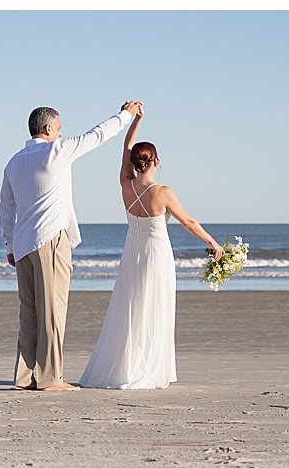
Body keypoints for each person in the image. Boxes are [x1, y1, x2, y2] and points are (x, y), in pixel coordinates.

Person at [0, 101, 141, 391]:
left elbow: (5, 208)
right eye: (60, 129)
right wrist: (126, 114)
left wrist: (9, 244)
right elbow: (99, 134)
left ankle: (26, 377)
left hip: (24, 244)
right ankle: (51, 378)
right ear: (48, 128)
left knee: (30, 311)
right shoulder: (57, 151)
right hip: (50, 239)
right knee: (52, 310)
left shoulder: (14, 162)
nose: (62, 134)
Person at [78, 104, 222, 389]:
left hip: (132, 253)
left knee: (130, 308)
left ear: (134, 163)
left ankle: (125, 366)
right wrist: (213, 242)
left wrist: (135, 118)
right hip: (156, 256)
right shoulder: (163, 192)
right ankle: (148, 367)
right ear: (155, 160)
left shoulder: (125, 185)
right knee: (156, 307)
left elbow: (126, 146)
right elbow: (189, 222)